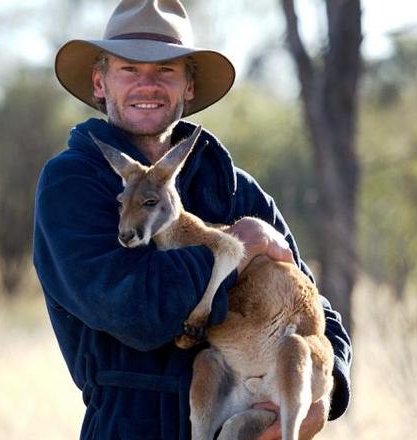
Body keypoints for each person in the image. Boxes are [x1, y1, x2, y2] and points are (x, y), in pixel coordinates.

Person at [33, 1, 352, 439]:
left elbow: (317, 307)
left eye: (165, 70)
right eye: (129, 69)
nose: (148, 85)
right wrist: (238, 249)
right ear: (99, 82)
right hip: (130, 424)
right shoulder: (72, 182)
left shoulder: (233, 187)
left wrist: (318, 399)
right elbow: (135, 310)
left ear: (188, 86)